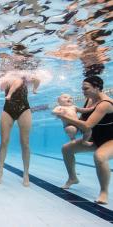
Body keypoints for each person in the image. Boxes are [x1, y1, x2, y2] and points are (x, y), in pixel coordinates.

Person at [56, 76, 113, 204]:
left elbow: (87, 125)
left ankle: (104, 192)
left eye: (86, 88)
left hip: (111, 140)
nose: (83, 91)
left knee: (100, 156)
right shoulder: (89, 100)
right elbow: (82, 120)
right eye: (82, 88)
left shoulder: (105, 104)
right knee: (66, 149)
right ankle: (73, 178)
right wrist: (71, 127)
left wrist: (64, 117)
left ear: (97, 87)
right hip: (96, 139)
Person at [0, 77, 38, 187]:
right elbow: (1, 88)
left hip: (24, 109)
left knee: (25, 143)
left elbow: (37, 80)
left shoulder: (25, 78)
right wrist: (6, 79)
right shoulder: (7, 77)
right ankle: (0, 170)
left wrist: (34, 88)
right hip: (8, 109)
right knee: (4, 141)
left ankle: (26, 173)